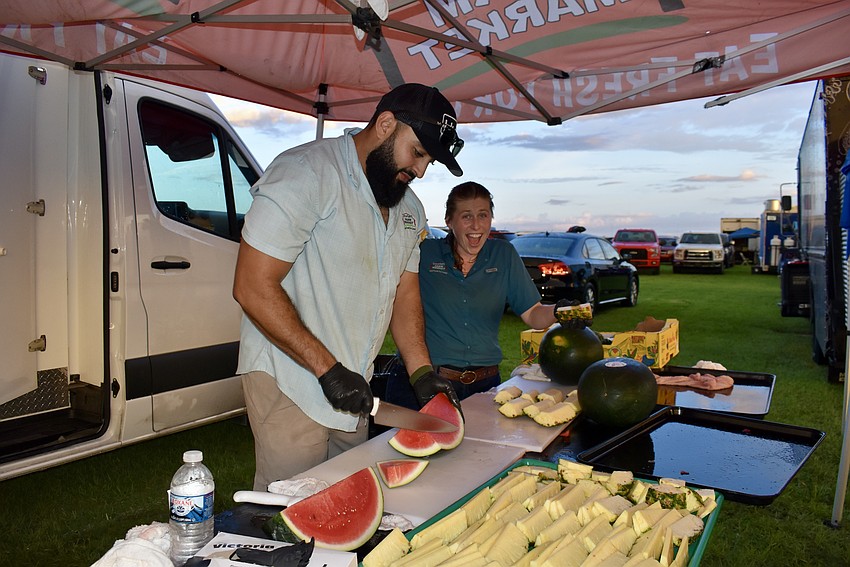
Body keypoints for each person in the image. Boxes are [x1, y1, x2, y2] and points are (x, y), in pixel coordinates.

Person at [232, 83, 463, 490]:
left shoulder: (410, 209)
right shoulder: (306, 172)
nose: (422, 171)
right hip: (293, 381)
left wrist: (422, 370)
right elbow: (251, 285)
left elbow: (404, 293)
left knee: (347, 499)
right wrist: (328, 370)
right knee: (290, 508)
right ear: (386, 124)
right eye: (419, 153)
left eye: (430, 161)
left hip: (354, 386)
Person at [384, 181, 560, 408]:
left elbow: (533, 314)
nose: (476, 225)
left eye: (483, 215)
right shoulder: (424, 253)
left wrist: (559, 311)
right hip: (423, 383)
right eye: (466, 216)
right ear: (449, 221)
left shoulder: (503, 254)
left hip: (484, 385)